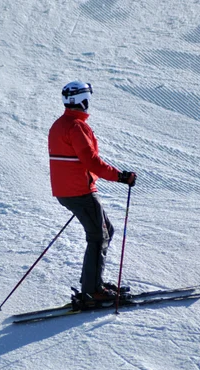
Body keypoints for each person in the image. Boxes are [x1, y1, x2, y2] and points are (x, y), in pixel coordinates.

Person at [48, 80, 136, 305]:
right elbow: (92, 161)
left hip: (68, 191)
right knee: (99, 235)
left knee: (106, 230)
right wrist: (121, 176)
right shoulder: (76, 127)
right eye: (87, 97)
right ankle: (91, 291)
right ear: (81, 100)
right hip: (80, 191)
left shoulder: (60, 124)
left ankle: (93, 283)